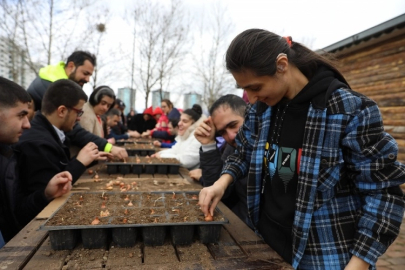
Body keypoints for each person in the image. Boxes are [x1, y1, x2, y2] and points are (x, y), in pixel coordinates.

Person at [198, 29, 405, 270]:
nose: (251, 98)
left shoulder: (347, 110)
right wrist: (221, 183)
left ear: (282, 65)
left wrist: (359, 263)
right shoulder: (261, 111)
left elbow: (384, 193)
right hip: (265, 244)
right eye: (246, 90)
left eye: (255, 87)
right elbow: (244, 152)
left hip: (325, 255)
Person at [14, 79, 109, 227]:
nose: (79, 118)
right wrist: (79, 162)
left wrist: (90, 159)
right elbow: (47, 196)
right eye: (78, 112)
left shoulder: (49, 132)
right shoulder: (38, 144)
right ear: (62, 111)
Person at [0, 77, 72, 247]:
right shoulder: (29, 146)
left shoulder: (7, 157)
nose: (27, 125)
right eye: (21, 115)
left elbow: (17, 214)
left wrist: (45, 194)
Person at [26, 50, 127, 160]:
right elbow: (74, 131)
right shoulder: (56, 89)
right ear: (71, 66)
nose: (87, 79)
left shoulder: (51, 79)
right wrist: (108, 147)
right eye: (85, 73)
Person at [193, 94, 251, 228]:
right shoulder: (232, 148)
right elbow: (221, 193)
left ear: (249, 116)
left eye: (233, 125)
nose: (230, 136)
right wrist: (208, 144)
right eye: (222, 132)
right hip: (241, 226)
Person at [153, 104, 205, 170]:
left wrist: (161, 156)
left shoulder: (198, 138)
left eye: (185, 121)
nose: (179, 123)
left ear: (194, 124)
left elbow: (186, 161)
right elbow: (175, 150)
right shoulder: (185, 136)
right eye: (180, 120)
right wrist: (159, 154)